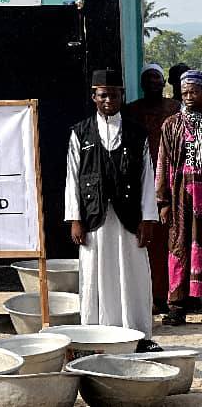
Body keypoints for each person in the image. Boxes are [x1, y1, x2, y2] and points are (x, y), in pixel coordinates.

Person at [65, 68, 158, 349]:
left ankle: (137, 336)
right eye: (103, 95)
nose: (109, 100)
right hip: (94, 219)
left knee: (133, 275)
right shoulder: (80, 133)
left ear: (122, 96)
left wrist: (148, 218)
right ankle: (95, 337)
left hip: (129, 217)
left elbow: (146, 178)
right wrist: (75, 219)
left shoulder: (136, 133)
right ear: (94, 97)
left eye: (114, 94)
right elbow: (73, 177)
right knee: (96, 275)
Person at [125, 63, 181, 312]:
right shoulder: (132, 111)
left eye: (157, 78)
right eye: (148, 79)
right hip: (141, 179)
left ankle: (172, 295)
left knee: (172, 238)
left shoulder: (175, 108)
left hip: (172, 179)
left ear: (163, 82)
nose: (153, 83)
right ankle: (150, 296)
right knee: (147, 240)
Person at [157, 69, 202, 326]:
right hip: (180, 197)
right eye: (184, 92)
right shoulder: (171, 124)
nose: (189, 97)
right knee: (179, 248)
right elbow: (162, 163)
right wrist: (162, 202)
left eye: (194, 91)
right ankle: (176, 307)